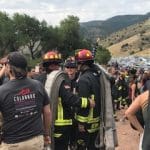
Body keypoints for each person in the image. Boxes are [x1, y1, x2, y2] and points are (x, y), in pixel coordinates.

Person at [35, 50, 95, 150]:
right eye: (58, 65)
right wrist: (87, 102)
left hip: (43, 123)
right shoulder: (58, 80)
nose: (59, 67)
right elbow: (69, 99)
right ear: (53, 66)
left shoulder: (37, 80)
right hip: (60, 124)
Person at [0, 51, 51, 150]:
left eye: (6, 65)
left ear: (10, 68)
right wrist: (46, 134)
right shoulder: (38, 85)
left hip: (12, 144)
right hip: (35, 142)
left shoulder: (2, 91)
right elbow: (47, 112)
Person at [75, 49, 101, 150]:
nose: (76, 65)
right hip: (96, 120)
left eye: (78, 63)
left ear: (82, 64)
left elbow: (84, 102)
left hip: (86, 123)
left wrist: (81, 123)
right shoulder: (96, 76)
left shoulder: (84, 79)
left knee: (82, 146)